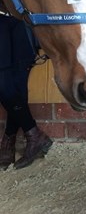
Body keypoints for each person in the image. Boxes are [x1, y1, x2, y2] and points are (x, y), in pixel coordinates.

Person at [0, 12, 52, 170]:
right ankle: (32, 134)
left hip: (21, 19)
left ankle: (10, 139)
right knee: (4, 84)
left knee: (18, 83)